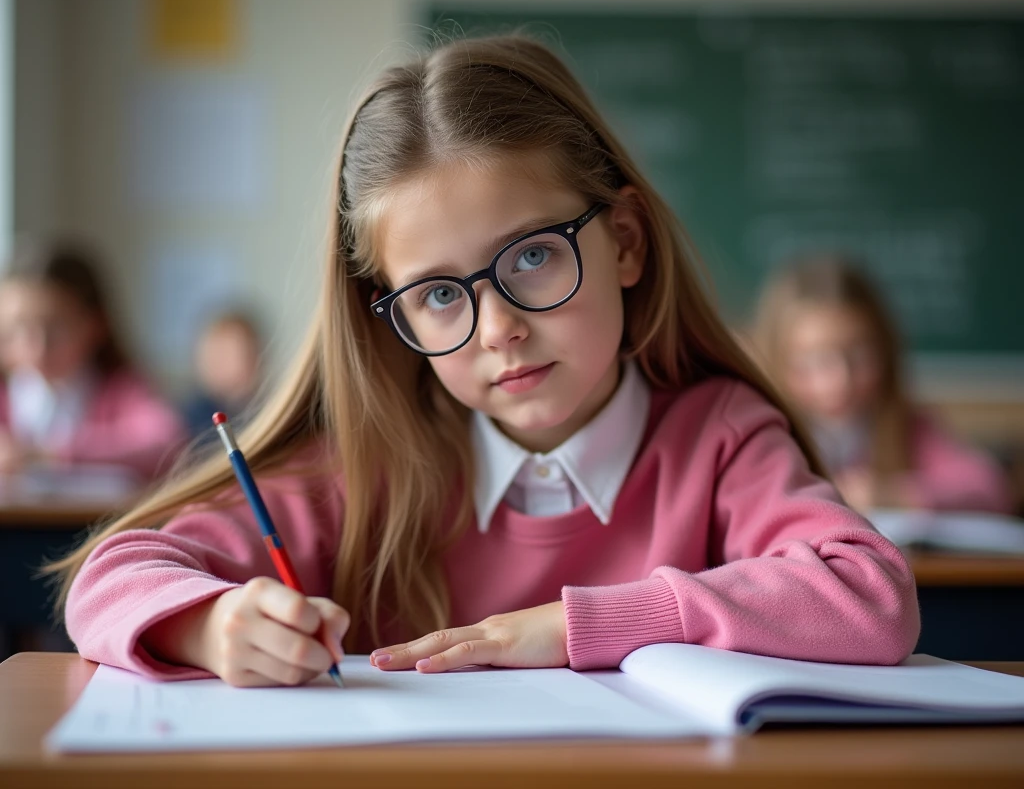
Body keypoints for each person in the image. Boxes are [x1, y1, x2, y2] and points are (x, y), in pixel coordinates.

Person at [51, 35, 919, 688]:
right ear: (388, 315)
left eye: (533, 255)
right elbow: (111, 577)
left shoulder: (717, 436)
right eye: (437, 295)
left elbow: (871, 595)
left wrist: (574, 627)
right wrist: (212, 625)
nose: (496, 327)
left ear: (623, 242)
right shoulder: (367, 467)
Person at [752, 256, 1012, 515]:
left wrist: (897, 494)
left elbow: (990, 487)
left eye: (859, 356)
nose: (840, 381)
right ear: (777, 361)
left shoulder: (909, 426)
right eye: (813, 361)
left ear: (885, 351)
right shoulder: (767, 434)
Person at [0, 240, 186, 481]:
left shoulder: (120, 388)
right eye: (17, 328)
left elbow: (168, 442)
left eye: (55, 327)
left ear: (95, 324)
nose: (37, 347)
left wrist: (53, 454)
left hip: (97, 518)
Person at [181, 311, 264, 439]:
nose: (216, 363)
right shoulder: (190, 416)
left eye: (227, 354)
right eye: (212, 355)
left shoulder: (266, 408)